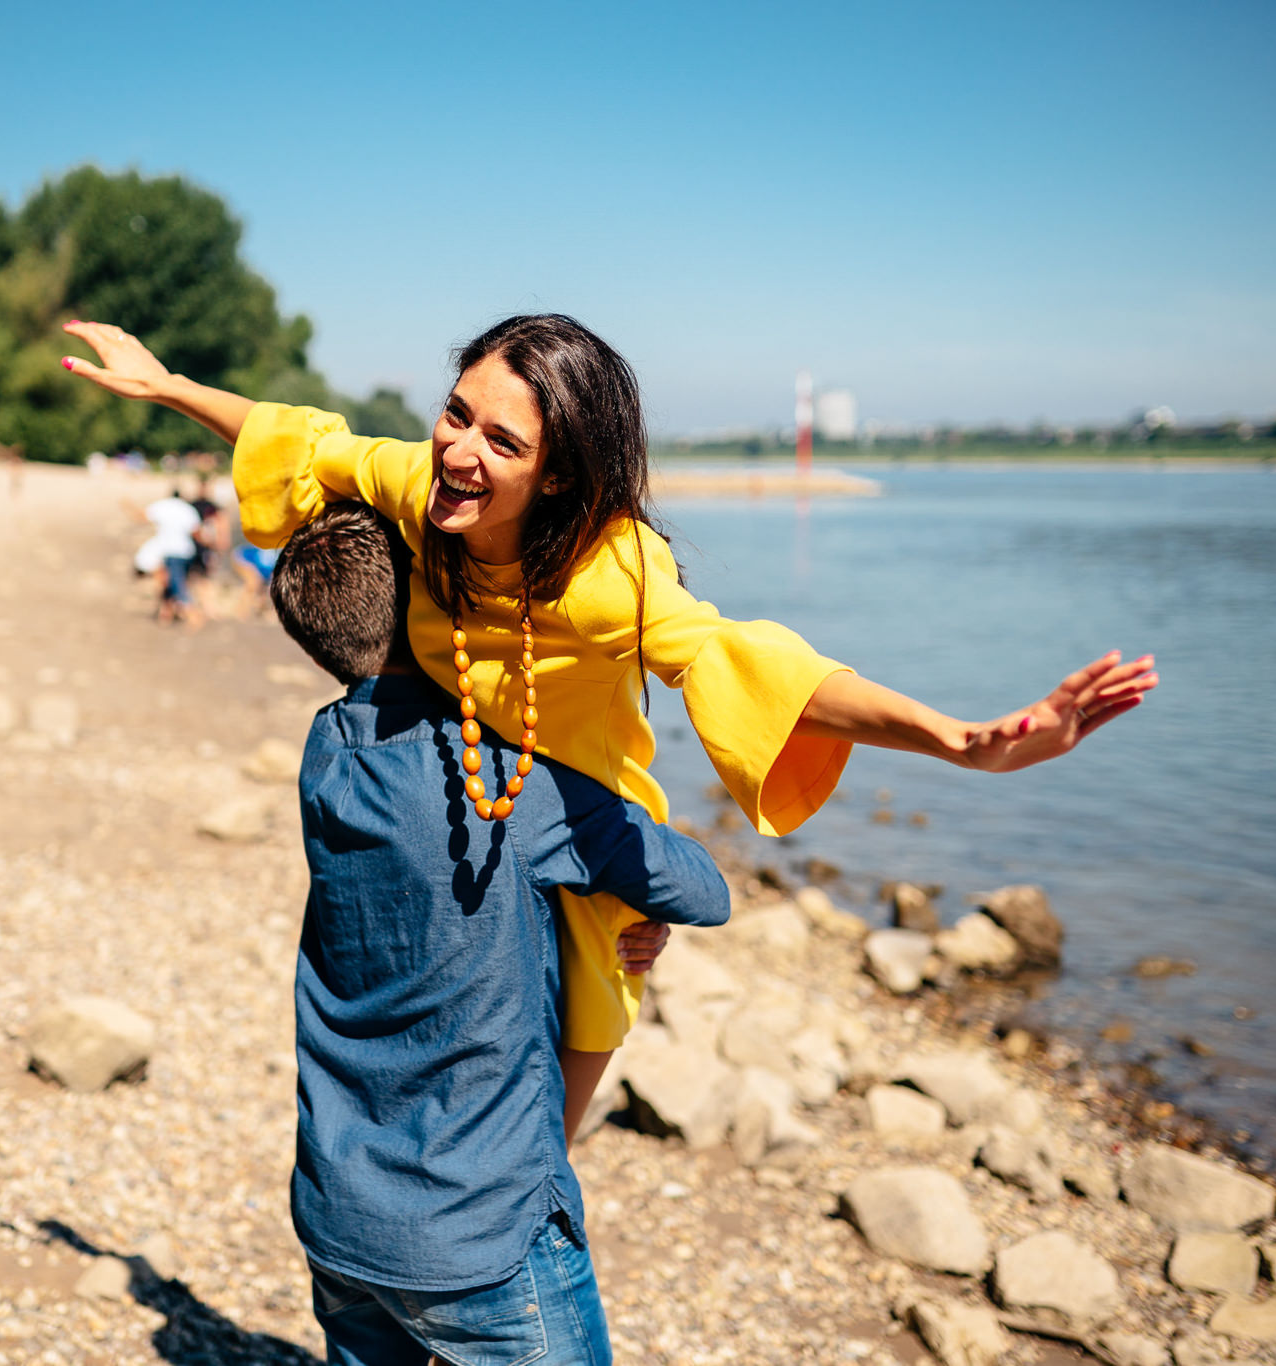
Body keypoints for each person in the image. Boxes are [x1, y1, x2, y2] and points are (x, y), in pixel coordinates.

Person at [59, 314, 1159, 1135]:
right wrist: (163, 388)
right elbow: (298, 439)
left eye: (501, 441)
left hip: (590, 845)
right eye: (455, 414)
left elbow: (750, 663)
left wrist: (961, 738)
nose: (457, 451)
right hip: (465, 803)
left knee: (535, 1144)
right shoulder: (417, 487)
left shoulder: (609, 571)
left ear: (558, 478)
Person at [269, 501, 722, 1366]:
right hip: (481, 1232)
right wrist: (618, 896)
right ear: (429, 606)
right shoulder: (502, 787)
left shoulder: (325, 750)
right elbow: (702, 886)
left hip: (340, 1208)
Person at [136, 486, 203, 625]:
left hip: (169, 552)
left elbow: (143, 516)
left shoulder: (163, 505)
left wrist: (128, 506)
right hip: (186, 551)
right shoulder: (188, 509)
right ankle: (165, 615)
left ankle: (193, 617)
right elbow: (197, 532)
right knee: (174, 582)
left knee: (174, 584)